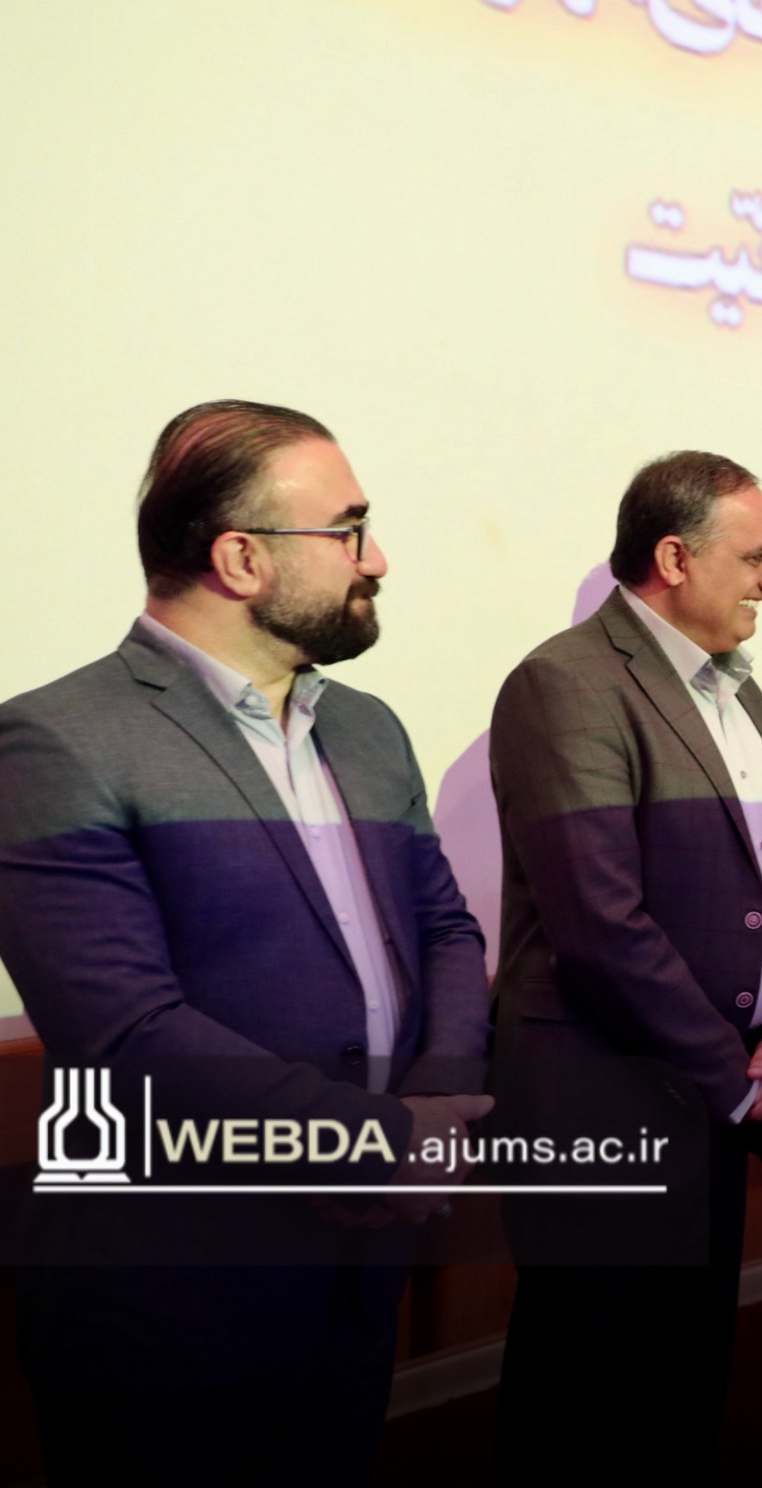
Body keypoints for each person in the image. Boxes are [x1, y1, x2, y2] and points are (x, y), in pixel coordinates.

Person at [0, 401, 491, 1484]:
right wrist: (375, 1141)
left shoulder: (366, 727)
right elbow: (125, 1030)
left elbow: (445, 929)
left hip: (355, 1281)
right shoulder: (58, 739)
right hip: (177, 1309)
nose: (376, 559)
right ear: (240, 558)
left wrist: (441, 1102)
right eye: (349, 530)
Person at [487, 451, 762, 1484]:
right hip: (604, 1104)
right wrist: (741, 1083)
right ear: (675, 559)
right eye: (756, 558)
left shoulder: (741, 693)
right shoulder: (565, 684)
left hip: (715, 1100)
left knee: (681, 1388)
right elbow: (602, 927)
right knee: (583, 1404)